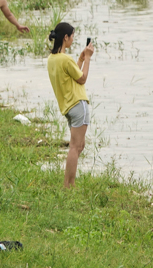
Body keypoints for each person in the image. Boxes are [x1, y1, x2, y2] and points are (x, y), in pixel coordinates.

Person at [46, 22, 93, 189]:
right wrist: (88, 59)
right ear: (65, 37)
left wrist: (80, 59)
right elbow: (82, 78)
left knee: (79, 145)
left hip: (68, 106)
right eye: (72, 36)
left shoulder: (52, 59)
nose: (73, 39)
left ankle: (69, 183)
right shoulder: (66, 59)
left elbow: (73, 75)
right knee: (75, 147)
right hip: (78, 104)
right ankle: (68, 185)